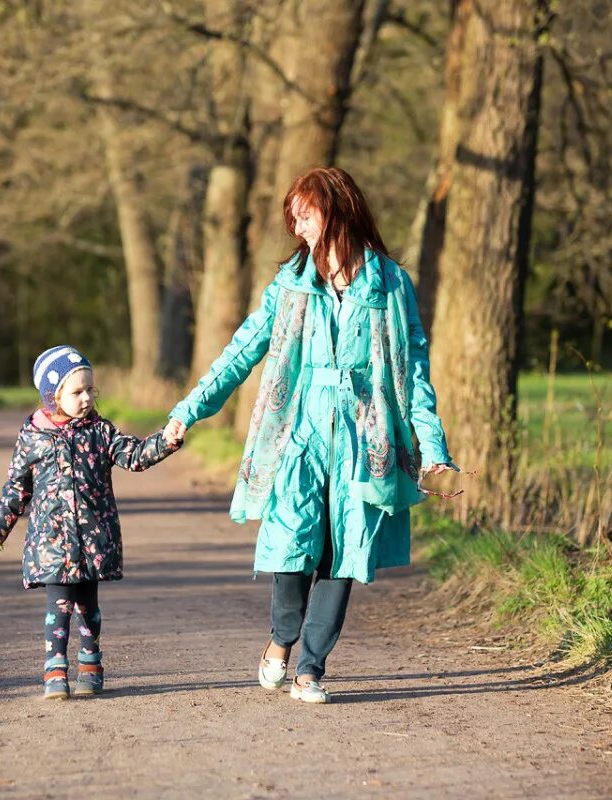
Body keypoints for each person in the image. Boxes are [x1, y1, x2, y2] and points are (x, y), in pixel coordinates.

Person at [165, 167, 457, 704]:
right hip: (299, 428)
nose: (297, 226)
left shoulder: (390, 283)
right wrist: (189, 410)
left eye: (305, 214)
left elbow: (414, 369)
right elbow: (244, 349)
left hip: (365, 434)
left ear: (337, 209)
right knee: (292, 539)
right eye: (292, 217)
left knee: (345, 549)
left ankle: (312, 669)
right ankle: (281, 640)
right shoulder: (292, 283)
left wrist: (432, 447)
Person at [0, 346, 183, 699]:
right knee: (58, 607)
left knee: (89, 606)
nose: (87, 397)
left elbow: (133, 456)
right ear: (52, 394)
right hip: (52, 542)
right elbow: (16, 488)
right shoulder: (33, 436)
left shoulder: (101, 431)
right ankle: (55, 667)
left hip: (93, 539)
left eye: (91, 390)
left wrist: (165, 440)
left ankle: (91, 662)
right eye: (77, 392)